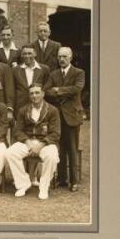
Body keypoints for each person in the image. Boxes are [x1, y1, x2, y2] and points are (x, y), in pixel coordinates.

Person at [4, 83, 60, 200]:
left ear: (43, 94)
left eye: (37, 92)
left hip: (45, 143)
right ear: (29, 96)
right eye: (32, 93)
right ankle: (23, 183)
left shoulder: (53, 110)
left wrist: (41, 144)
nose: (34, 96)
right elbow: (18, 131)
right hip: (28, 142)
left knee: (52, 156)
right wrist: (27, 142)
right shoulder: (23, 110)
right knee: (10, 153)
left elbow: (55, 133)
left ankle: (44, 187)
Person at [45, 47, 85, 192]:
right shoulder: (54, 74)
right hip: (57, 116)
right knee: (59, 147)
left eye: (65, 57)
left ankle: (73, 181)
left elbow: (77, 89)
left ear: (71, 57)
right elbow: (47, 91)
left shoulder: (79, 73)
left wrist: (58, 90)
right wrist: (57, 91)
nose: (62, 59)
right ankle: (62, 178)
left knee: (72, 148)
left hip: (72, 116)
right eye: (60, 57)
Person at [11, 44, 50, 111]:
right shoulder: (15, 70)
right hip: (20, 106)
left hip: (39, 106)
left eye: (29, 53)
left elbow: (46, 88)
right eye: (24, 54)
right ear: (21, 55)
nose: (27, 56)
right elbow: (12, 90)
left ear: (35, 54)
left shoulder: (44, 69)